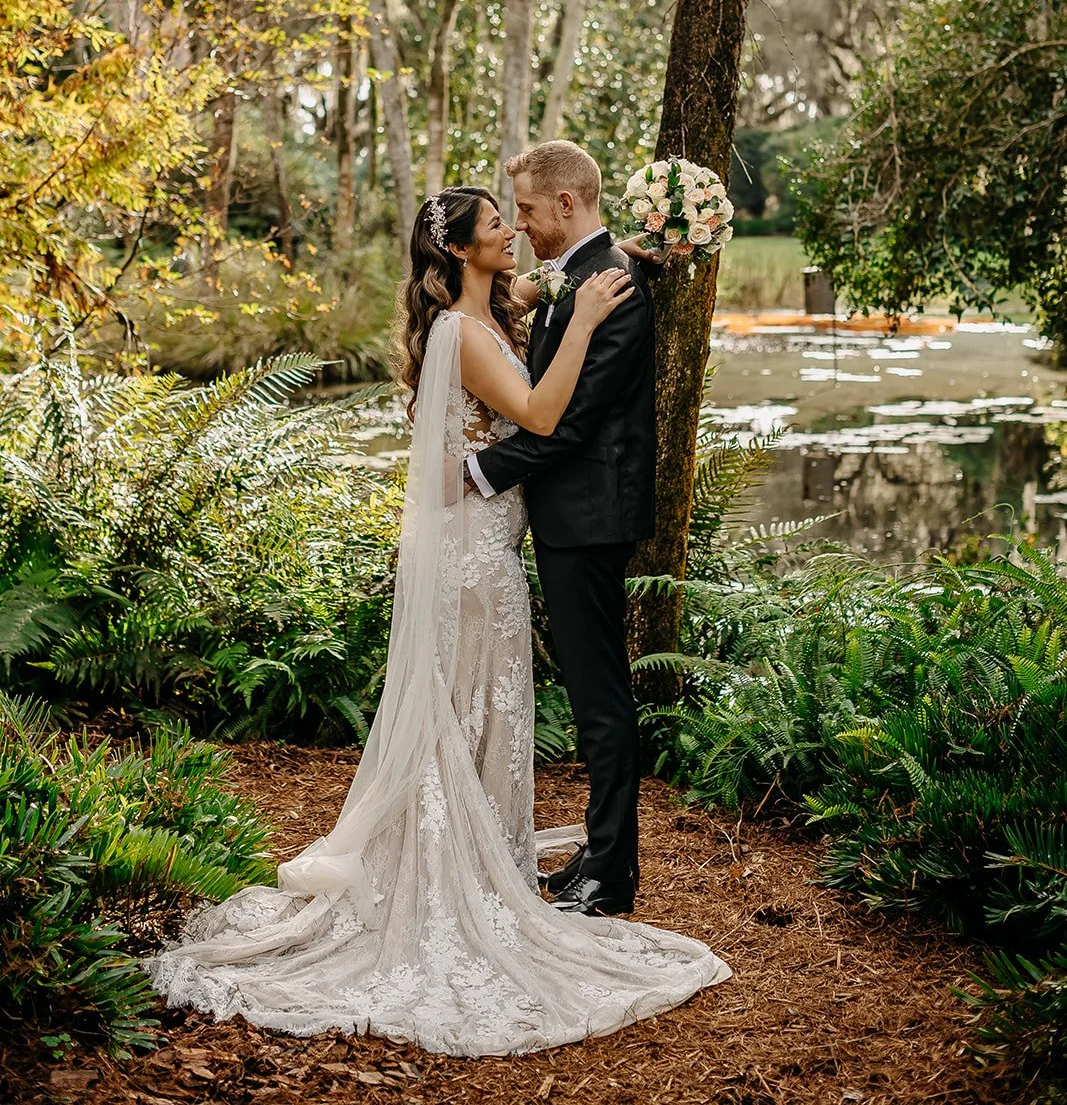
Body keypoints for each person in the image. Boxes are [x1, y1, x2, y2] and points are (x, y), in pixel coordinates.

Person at [147, 181, 729, 1056]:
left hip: (485, 540)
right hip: (472, 553)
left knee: (476, 705)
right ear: (461, 250)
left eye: (517, 215)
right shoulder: (464, 330)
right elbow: (535, 412)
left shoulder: (491, 306)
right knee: (471, 704)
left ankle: (481, 855)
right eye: (499, 224)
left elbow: (552, 279)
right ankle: (455, 870)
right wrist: (575, 324)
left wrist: (627, 256)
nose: (514, 234)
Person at [465, 142, 654, 916]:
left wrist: (479, 474)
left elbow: (567, 425)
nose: (521, 225)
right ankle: (601, 851)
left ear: (567, 206)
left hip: (589, 518)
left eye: (530, 211)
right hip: (571, 516)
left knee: (600, 699)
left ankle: (613, 875)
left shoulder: (612, 283)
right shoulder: (586, 271)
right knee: (589, 694)